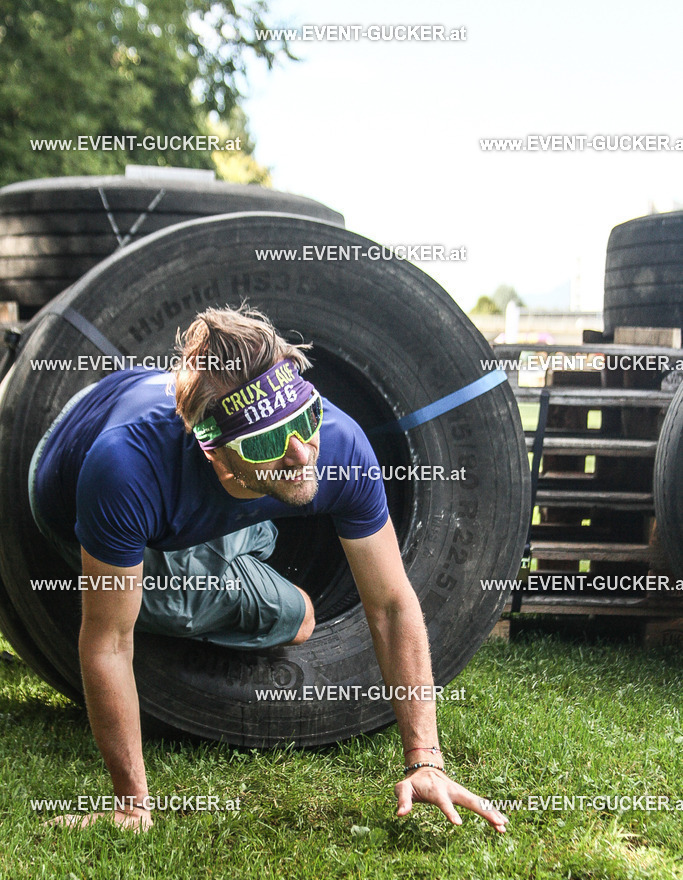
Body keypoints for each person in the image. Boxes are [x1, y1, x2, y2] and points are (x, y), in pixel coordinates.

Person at [29, 304, 508, 835]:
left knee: (266, 513)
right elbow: (109, 641)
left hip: (140, 421)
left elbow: (393, 607)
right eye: (266, 442)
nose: (303, 454)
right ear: (217, 456)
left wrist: (426, 760)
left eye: (305, 419)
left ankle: (240, 529)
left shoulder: (337, 445)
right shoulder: (126, 472)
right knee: (298, 616)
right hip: (71, 487)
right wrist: (131, 804)